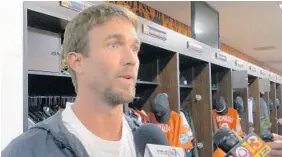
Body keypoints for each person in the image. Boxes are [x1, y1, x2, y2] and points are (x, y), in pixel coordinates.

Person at [2, 3, 141, 157]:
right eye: (114, 45)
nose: (132, 59)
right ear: (77, 62)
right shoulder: (27, 151)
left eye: (134, 48)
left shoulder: (146, 140)